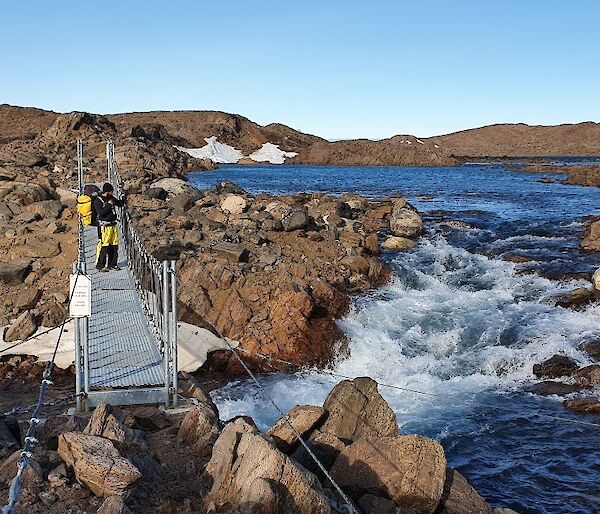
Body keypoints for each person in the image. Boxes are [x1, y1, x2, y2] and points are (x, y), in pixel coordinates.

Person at [94, 183, 123, 272]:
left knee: (114, 245)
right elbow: (101, 213)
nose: (112, 193)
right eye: (111, 191)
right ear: (107, 191)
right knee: (105, 246)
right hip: (105, 227)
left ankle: (112, 264)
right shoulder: (98, 201)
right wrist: (109, 205)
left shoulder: (111, 198)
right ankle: (100, 265)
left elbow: (120, 204)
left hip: (113, 225)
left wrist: (124, 196)